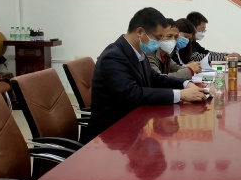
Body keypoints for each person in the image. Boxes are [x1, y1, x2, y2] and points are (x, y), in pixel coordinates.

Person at [85, 7, 208, 142]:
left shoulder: (138, 52)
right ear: (140, 32)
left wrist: (186, 84)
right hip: (109, 136)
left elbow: (155, 78)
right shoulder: (113, 56)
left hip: (132, 126)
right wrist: (181, 94)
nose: (160, 42)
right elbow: (133, 94)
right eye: (158, 37)